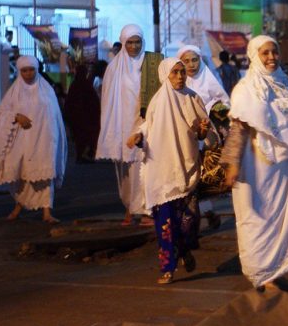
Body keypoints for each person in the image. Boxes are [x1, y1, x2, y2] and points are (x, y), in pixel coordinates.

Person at [220, 35, 288, 290]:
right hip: (256, 167)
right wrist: (232, 164)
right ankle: (262, 273)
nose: (271, 57)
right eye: (265, 53)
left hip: (284, 167)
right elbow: (238, 129)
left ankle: (276, 269)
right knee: (259, 219)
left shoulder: (285, 83)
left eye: (274, 52)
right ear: (254, 55)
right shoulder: (245, 88)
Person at [127, 58, 211, 284]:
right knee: (165, 224)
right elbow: (148, 128)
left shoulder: (193, 98)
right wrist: (138, 137)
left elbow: (203, 133)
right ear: (165, 74)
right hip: (162, 171)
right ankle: (167, 268)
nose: (180, 77)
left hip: (187, 168)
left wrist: (202, 130)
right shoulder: (157, 101)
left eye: (182, 72)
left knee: (188, 223)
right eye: (175, 72)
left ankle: (184, 250)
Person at [0, 56, 67, 223]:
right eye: (24, 70)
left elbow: (55, 118)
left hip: (44, 141)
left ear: (37, 70)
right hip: (22, 141)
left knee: (44, 174)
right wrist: (16, 116)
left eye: (31, 70)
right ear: (19, 71)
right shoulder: (14, 93)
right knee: (22, 174)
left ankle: (46, 212)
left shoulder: (47, 91)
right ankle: (18, 207)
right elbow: (0, 115)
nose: (28, 74)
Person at [95, 25, 150, 225]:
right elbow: (108, 102)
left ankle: (144, 210)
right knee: (126, 172)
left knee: (144, 168)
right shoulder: (113, 69)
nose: (134, 46)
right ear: (123, 43)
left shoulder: (151, 66)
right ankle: (129, 207)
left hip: (145, 125)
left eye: (137, 42)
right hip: (122, 125)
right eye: (130, 42)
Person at [177, 44, 231, 229]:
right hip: (185, 137)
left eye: (194, 60)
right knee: (188, 178)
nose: (191, 65)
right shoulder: (177, 81)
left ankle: (202, 214)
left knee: (202, 177)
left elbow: (223, 103)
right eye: (186, 61)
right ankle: (205, 213)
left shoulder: (209, 81)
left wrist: (210, 112)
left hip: (207, 139)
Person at [63, 63, 101, 163]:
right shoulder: (86, 85)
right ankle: (85, 156)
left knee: (79, 138)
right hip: (87, 118)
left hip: (77, 118)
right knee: (87, 137)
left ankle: (81, 156)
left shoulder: (74, 85)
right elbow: (93, 102)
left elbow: (69, 103)